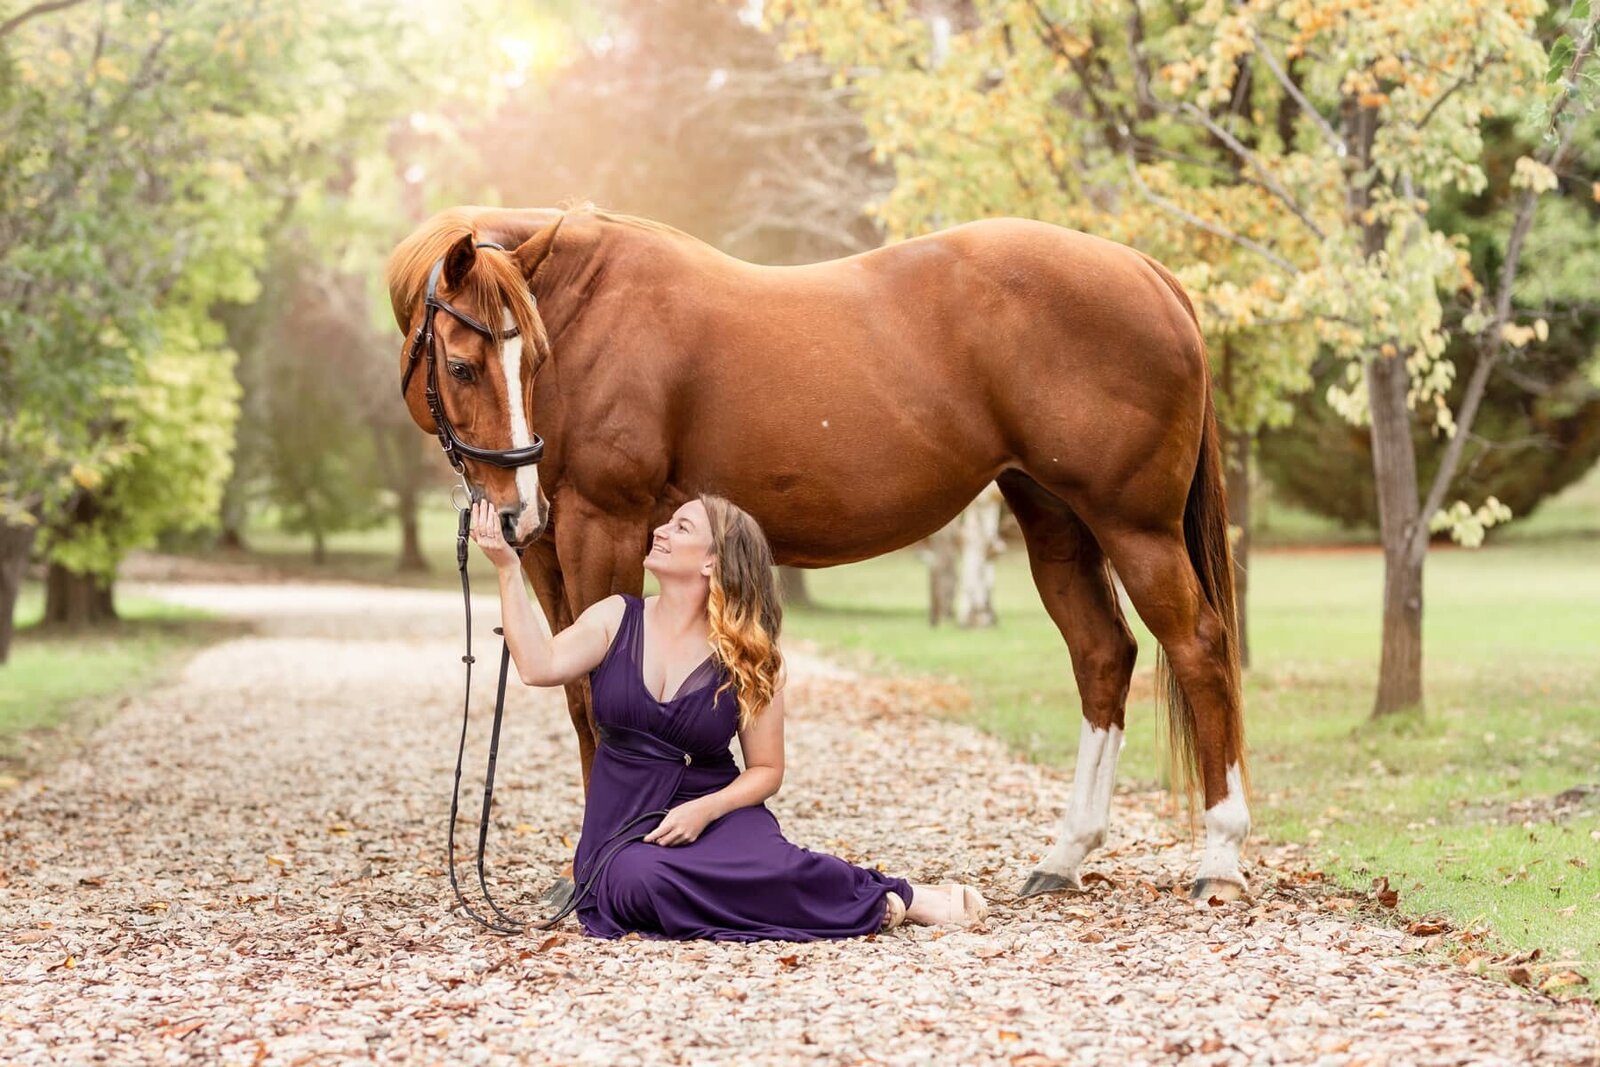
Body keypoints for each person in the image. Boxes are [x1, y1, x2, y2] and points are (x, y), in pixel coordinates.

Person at [469, 492, 988, 941]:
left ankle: (897, 898)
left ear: (712, 562)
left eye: (682, 526)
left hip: (714, 810)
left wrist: (704, 811)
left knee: (777, 866)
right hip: (624, 824)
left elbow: (766, 770)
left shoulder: (747, 654)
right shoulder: (614, 617)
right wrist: (507, 568)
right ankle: (864, 901)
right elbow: (538, 667)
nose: (661, 530)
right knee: (634, 881)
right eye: (670, 522)